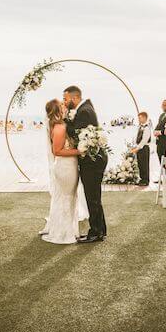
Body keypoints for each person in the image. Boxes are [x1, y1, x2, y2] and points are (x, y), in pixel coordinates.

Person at [64, 85, 108, 243]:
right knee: (94, 196)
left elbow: (74, 132)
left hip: (92, 161)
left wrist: (64, 120)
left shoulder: (84, 111)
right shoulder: (86, 108)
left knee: (92, 197)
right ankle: (100, 230)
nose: (65, 102)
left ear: (75, 98)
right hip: (93, 159)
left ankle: (95, 232)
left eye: (66, 99)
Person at [41, 99, 82, 244]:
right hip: (65, 167)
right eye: (62, 105)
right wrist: (78, 151)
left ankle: (67, 230)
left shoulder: (61, 125)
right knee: (66, 198)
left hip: (69, 165)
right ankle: (63, 234)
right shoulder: (59, 128)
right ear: (58, 110)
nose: (65, 107)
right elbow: (57, 151)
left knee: (68, 198)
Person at [131, 112, 151, 186]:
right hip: (139, 148)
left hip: (144, 148)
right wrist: (136, 147)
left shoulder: (147, 128)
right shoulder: (140, 127)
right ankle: (142, 179)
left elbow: (144, 140)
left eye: (140, 118)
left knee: (144, 164)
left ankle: (145, 180)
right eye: (138, 118)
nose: (139, 119)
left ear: (145, 118)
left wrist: (138, 148)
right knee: (140, 164)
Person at [153, 99, 166, 178]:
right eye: (162, 105)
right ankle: (163, 177)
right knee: (161, 159)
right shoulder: (162, 115)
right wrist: (155, 131)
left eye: (165, 105)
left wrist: (160, 132)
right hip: (159, 141)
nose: (162, 106)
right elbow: (159, 125)